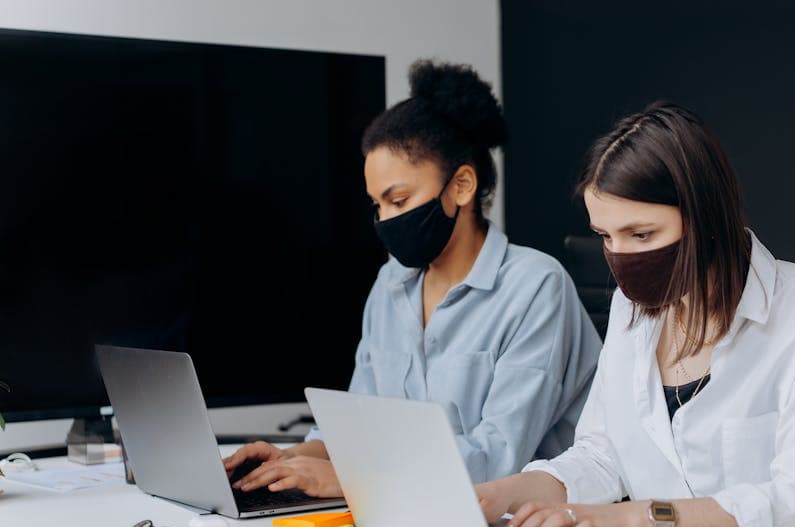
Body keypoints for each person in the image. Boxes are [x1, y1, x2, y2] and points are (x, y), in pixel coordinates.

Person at [476, 102, 795, 527]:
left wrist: (633, 518)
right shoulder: (628, 312)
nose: (620, 256)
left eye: (642, 234)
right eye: (605, 236)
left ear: (704, 216)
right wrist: (504, 494)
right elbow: (602, 454)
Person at [222, 60, 601, 495]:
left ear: (461, 186)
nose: (384, 220)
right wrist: (289, 458)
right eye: (376, 206)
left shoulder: (536, 286)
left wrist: (350, 480)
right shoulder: (390, 284)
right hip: (410, 513)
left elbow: (497, 458)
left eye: (398, 200)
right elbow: (363, 425)